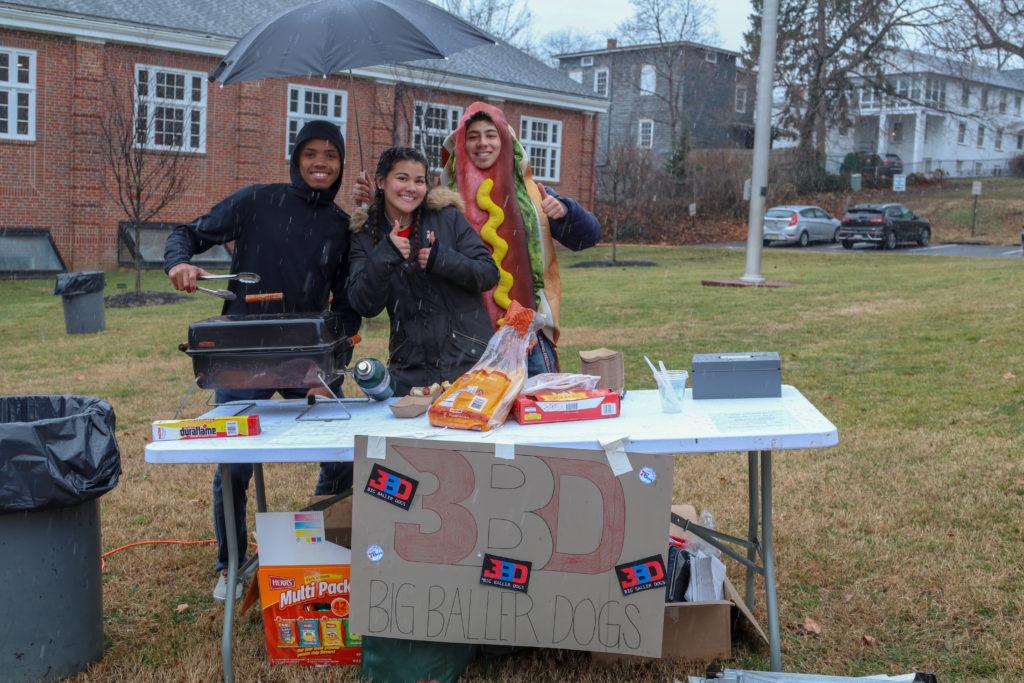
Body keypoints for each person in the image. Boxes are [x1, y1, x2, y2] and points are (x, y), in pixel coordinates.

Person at [164, 120, 361, 601]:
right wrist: (179, 262)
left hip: (307, 359)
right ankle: (229, 564)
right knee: (235, 464)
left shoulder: (339, 225)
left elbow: (347, 306)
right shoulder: (256, 201)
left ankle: (329, 547)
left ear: (339, 165)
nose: (320, 162)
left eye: (330, 155)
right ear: (295, 159)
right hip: (244, 356)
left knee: (342, 453)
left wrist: (331, 368)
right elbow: (185, 233)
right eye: (311, 153)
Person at [354, 102, 601, 376]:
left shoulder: (533, 197)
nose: (483, 143)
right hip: (464, 340)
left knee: (533, 410)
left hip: (527, 331)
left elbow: (587, 237)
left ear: (506, 141)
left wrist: (567, 212)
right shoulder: (440, 198)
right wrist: (372, 204)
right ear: (461, 143)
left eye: (491, 134)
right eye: (473, 136)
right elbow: (399, 209)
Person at [346, 146, 499, 396]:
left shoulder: (447, 218)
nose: (411, 188)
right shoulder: (365, 234)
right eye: (402, 178)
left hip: (468, 361)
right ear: (381, 181)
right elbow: (364, 303)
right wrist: (385, 254)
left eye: (419, 181)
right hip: (409, 369)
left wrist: (442, 259)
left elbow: (487, 273)